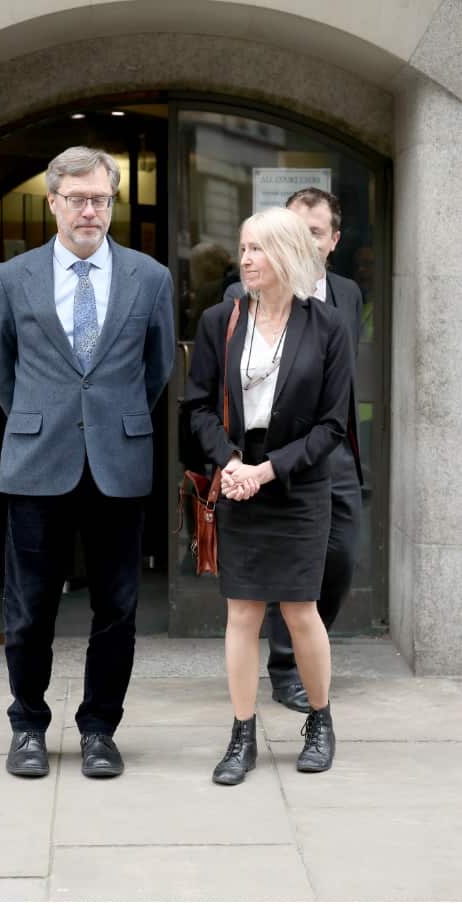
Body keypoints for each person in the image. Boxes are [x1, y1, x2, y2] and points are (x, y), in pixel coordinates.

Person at [0, 146, 175, 779]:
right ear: (54, 202)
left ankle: (98, 729)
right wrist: (47, 417)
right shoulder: (14, 278)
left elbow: (157, 370)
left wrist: (107, 420)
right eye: (80, 199)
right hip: (38, 460)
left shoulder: (151, 277)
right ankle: (28, 726)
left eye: (102, 199)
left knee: (117, 606)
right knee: (30, 606)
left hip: (119, 462)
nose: (92, 211)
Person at [186, 207, 353, 782]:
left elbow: (333, 426)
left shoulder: (327, 326)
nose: (245, 259)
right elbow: (199, 406)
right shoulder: (220, 320)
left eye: (257, 248)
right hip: (237, 479)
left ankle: (320, 721)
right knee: (242, 613)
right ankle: (241, 735)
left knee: (301, 610)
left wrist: (268, 470)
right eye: (243, 247)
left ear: (285, 254)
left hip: (299, 483)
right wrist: (231, 462)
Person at [224, 187, 363, 713]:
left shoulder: (346, 294)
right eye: (294, 230)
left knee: (341, 557)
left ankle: (306, 657)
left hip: (334, 447)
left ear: (332, 241)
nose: (304, 240)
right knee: (261, 594)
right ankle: (285, 668)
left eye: (315, 232)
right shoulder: (238, 303)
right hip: (267, 454)